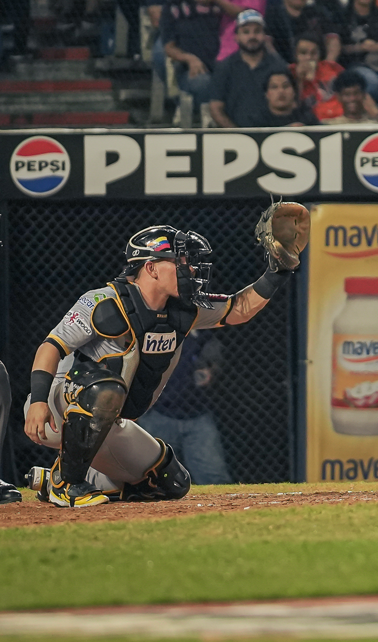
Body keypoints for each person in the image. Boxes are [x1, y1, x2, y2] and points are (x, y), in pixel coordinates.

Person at [22, 215, 305, 507]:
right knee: (105, 386)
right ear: (151, 267)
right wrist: (39, 401)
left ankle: (55, 477)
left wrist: (279, 271)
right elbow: (51, 346)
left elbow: (239, 308)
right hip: (57, 410)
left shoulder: (184, 310)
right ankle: (66, 484)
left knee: (171, 484)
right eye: (181, 261)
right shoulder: (104, 302)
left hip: (109, 420)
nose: (191, 268)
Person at [136, 330, 232, 485]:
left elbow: (215, 362)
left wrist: (210, 370)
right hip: (158, 412)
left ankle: (224, 508)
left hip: (197, 413)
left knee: (214, 477)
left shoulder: (202, 333)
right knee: (151, 476)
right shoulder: (155, 329)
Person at [208, 10, 292, 128]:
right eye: (246, 32)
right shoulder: (224, 67)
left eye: (257, 31)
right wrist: (239, 136)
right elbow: (215, 108)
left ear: (264, 35)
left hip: (272, 134)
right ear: (236, 37)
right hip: (234, 137)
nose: (252, 36)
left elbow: (290, 105)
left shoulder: (278, 66)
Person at [161, 0, 222, 107]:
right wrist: (189, 58)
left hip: (223, 64)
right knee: (203, 83)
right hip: (192, 69)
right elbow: (169, 47)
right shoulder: (172, 6)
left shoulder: (220, 0)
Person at [265, 0, 339, 63]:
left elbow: (332, 39)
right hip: (283, 68)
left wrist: (328, 64)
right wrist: (283, 66)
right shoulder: (273, 15)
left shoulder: (317, 12)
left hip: (317, 68)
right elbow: (267, 44)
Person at [292, 35, 345, 120]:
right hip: (307, 123)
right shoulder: (289, 73)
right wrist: (299, 81)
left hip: (337, 119)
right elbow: (291, 108)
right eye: (303, 53)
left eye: (313, 53)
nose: (308, 57)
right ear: (295, 55)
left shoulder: (332, 69)